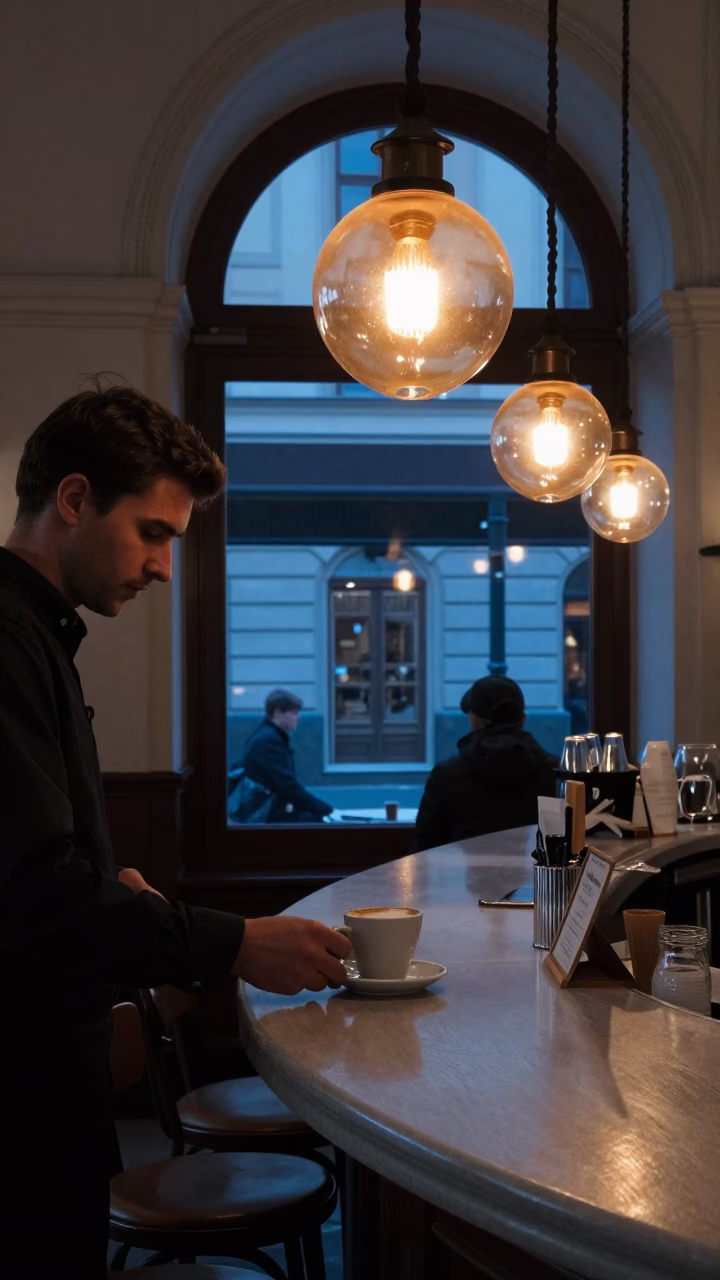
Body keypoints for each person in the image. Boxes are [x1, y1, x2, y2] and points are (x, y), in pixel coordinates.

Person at [0, 384, 351, 1278]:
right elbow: (36, 898)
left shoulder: (38, 636)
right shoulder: (6, 642)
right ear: (74, 500)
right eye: (153, 532)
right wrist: (233, 942)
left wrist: (109, 890)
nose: (163, 567)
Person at [413, 675, 559, 852]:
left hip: (472, 878)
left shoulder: (446, 775)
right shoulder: (557, 774)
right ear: (522, 719)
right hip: (537, 878)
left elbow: (424, 851)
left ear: (474, 721)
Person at [238, 689, 334, 823]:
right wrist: (326, 809)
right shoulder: (269, 741)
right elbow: (287, 785)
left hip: (272, 809)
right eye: (294, 713)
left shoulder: (268, 735)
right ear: (277, 713)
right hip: (268, 814)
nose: (299, 717)